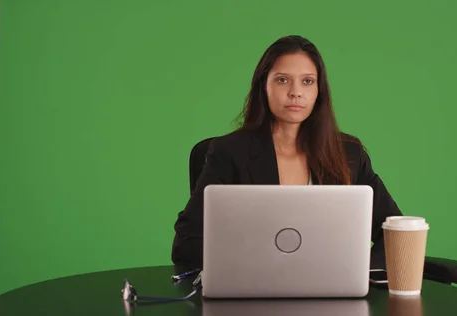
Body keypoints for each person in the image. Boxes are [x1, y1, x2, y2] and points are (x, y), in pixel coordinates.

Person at [171, 35, 403, 266]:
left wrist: (354, 270)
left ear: (319, 91)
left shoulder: (349, 153)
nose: (295, 92)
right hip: (254, 291)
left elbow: (395, 232)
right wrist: (249, 265)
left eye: (307, 81)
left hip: (332, 293)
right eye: (282, 80)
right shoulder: (230, 152)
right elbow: (187, 243)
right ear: (264, 86)